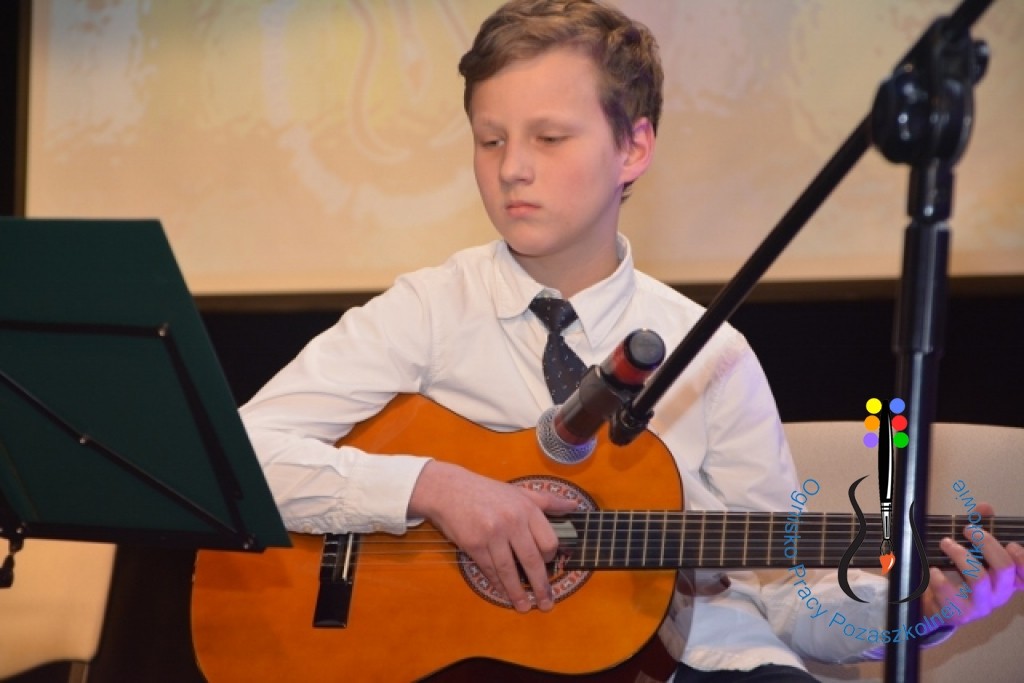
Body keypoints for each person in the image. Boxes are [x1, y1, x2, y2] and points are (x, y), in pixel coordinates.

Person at [239, 1, 1024, 680]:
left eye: (550, 137)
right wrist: (437, 487)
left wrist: (923, 609)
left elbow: (791, 601)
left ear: (634, 147)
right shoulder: (427, 311)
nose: (512, 169)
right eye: (489, 139)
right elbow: (240, 457)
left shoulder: (712, 353)